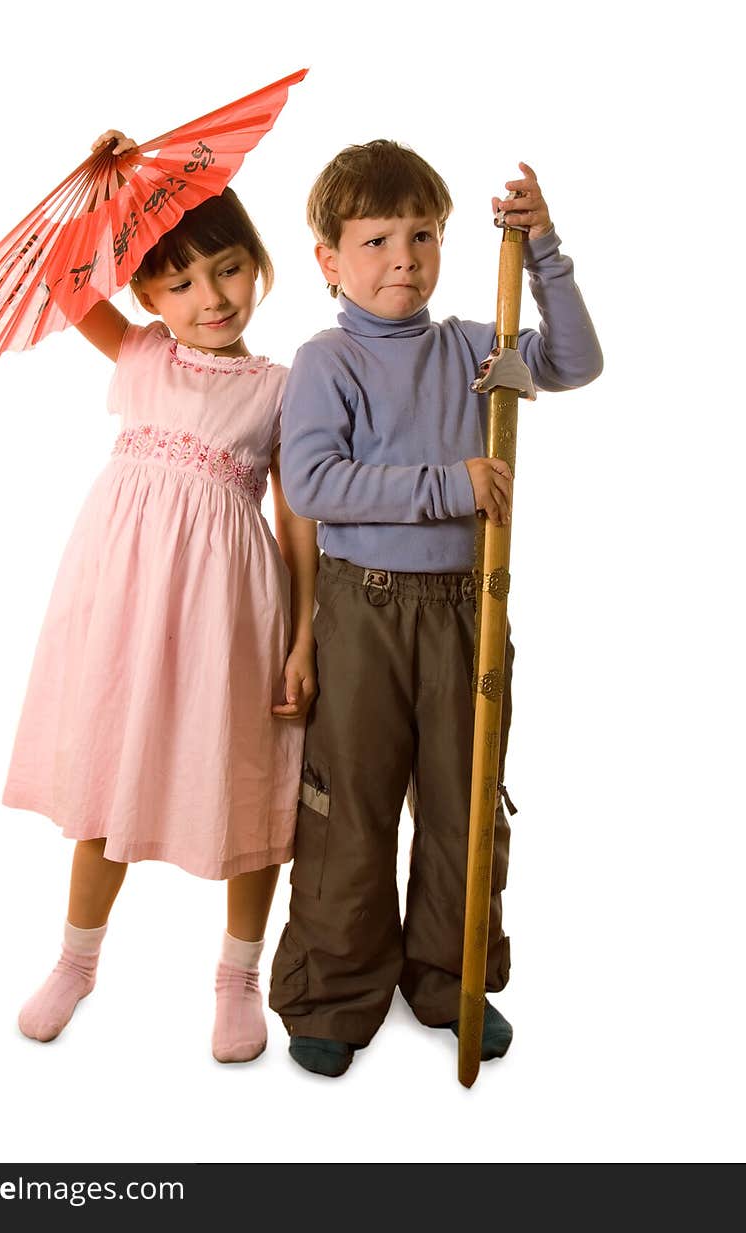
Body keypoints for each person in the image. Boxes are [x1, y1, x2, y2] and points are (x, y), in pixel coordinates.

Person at [268, 142, 602, 1077]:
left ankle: (451, 976)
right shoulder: (326, 360)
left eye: (422, 235)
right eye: (374, 240)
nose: (403, 258)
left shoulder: (474, 347)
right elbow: (316, 480)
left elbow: (576, 362)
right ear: (329, 259)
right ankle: (334, 989)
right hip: (362, 610)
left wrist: (542, 252)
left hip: (465, 606)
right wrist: (445, 485)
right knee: (352, 804)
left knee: (465, 799)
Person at [3, 129, 318, 1064]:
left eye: (227, 271)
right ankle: (76, 959)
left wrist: (303, 639)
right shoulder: (138, 352)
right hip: (124, 599)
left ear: (258, 266)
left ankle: (237, 974)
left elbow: (297, 526)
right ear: (146, 295)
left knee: (250, 776)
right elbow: (63, 279)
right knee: (109, 768)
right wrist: (108, 182)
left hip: (229, 613)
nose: (210, 298)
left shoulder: (282, 387)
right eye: (180, 284)